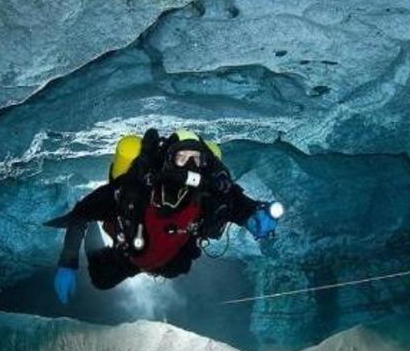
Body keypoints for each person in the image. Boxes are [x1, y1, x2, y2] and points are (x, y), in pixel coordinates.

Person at [46, 129, 280, 304]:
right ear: (168, 161)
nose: (189, 165)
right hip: (131, 253)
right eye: (182, 158)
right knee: (101, 280)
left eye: (195, 159)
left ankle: (161, 264)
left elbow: (237, 204)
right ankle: (98, 237)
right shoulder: (132, 191)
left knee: (178, 267)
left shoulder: (209, 196)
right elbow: (80, 214)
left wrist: (254, 217)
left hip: (171, 255)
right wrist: (68, 263)